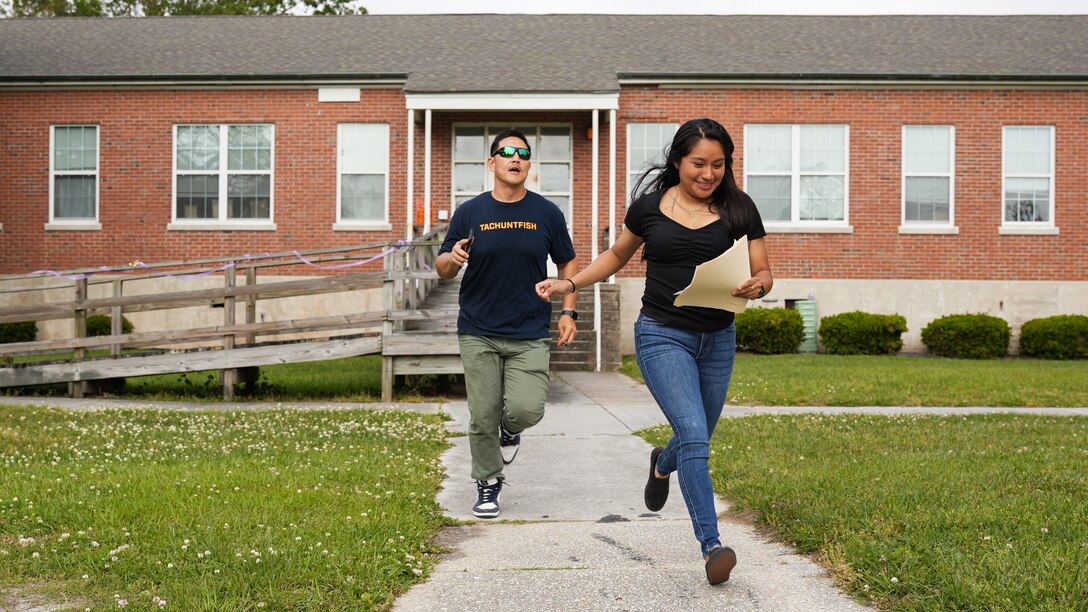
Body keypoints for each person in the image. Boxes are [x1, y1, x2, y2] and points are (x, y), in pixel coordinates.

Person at [535, 118, 771, 585]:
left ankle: (662, 464)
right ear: (678, 161)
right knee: (696, 436)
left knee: (692, 439)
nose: (708, 174)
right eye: (698, 164)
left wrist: (757, 286)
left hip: (718, 337)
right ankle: (712, 545)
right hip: (663, 335)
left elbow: (763, 269)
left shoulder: (740, 209)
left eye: (718, 165)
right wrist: (570, 283)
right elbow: (616, 256)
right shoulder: (648, 209)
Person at [436, 128, 579, 519]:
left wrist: (569, 310)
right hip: (478, 329)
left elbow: (568, 265)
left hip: (529, 330)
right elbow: (443, 267)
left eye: (523, 153)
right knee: (481, 414)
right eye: (507, 152)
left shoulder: (547, 213)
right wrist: (454, 258)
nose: (515, 158)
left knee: (526, 410)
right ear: (492, 162)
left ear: (528, 164)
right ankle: (488, 482)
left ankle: (509, 429)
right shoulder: (470, 212)